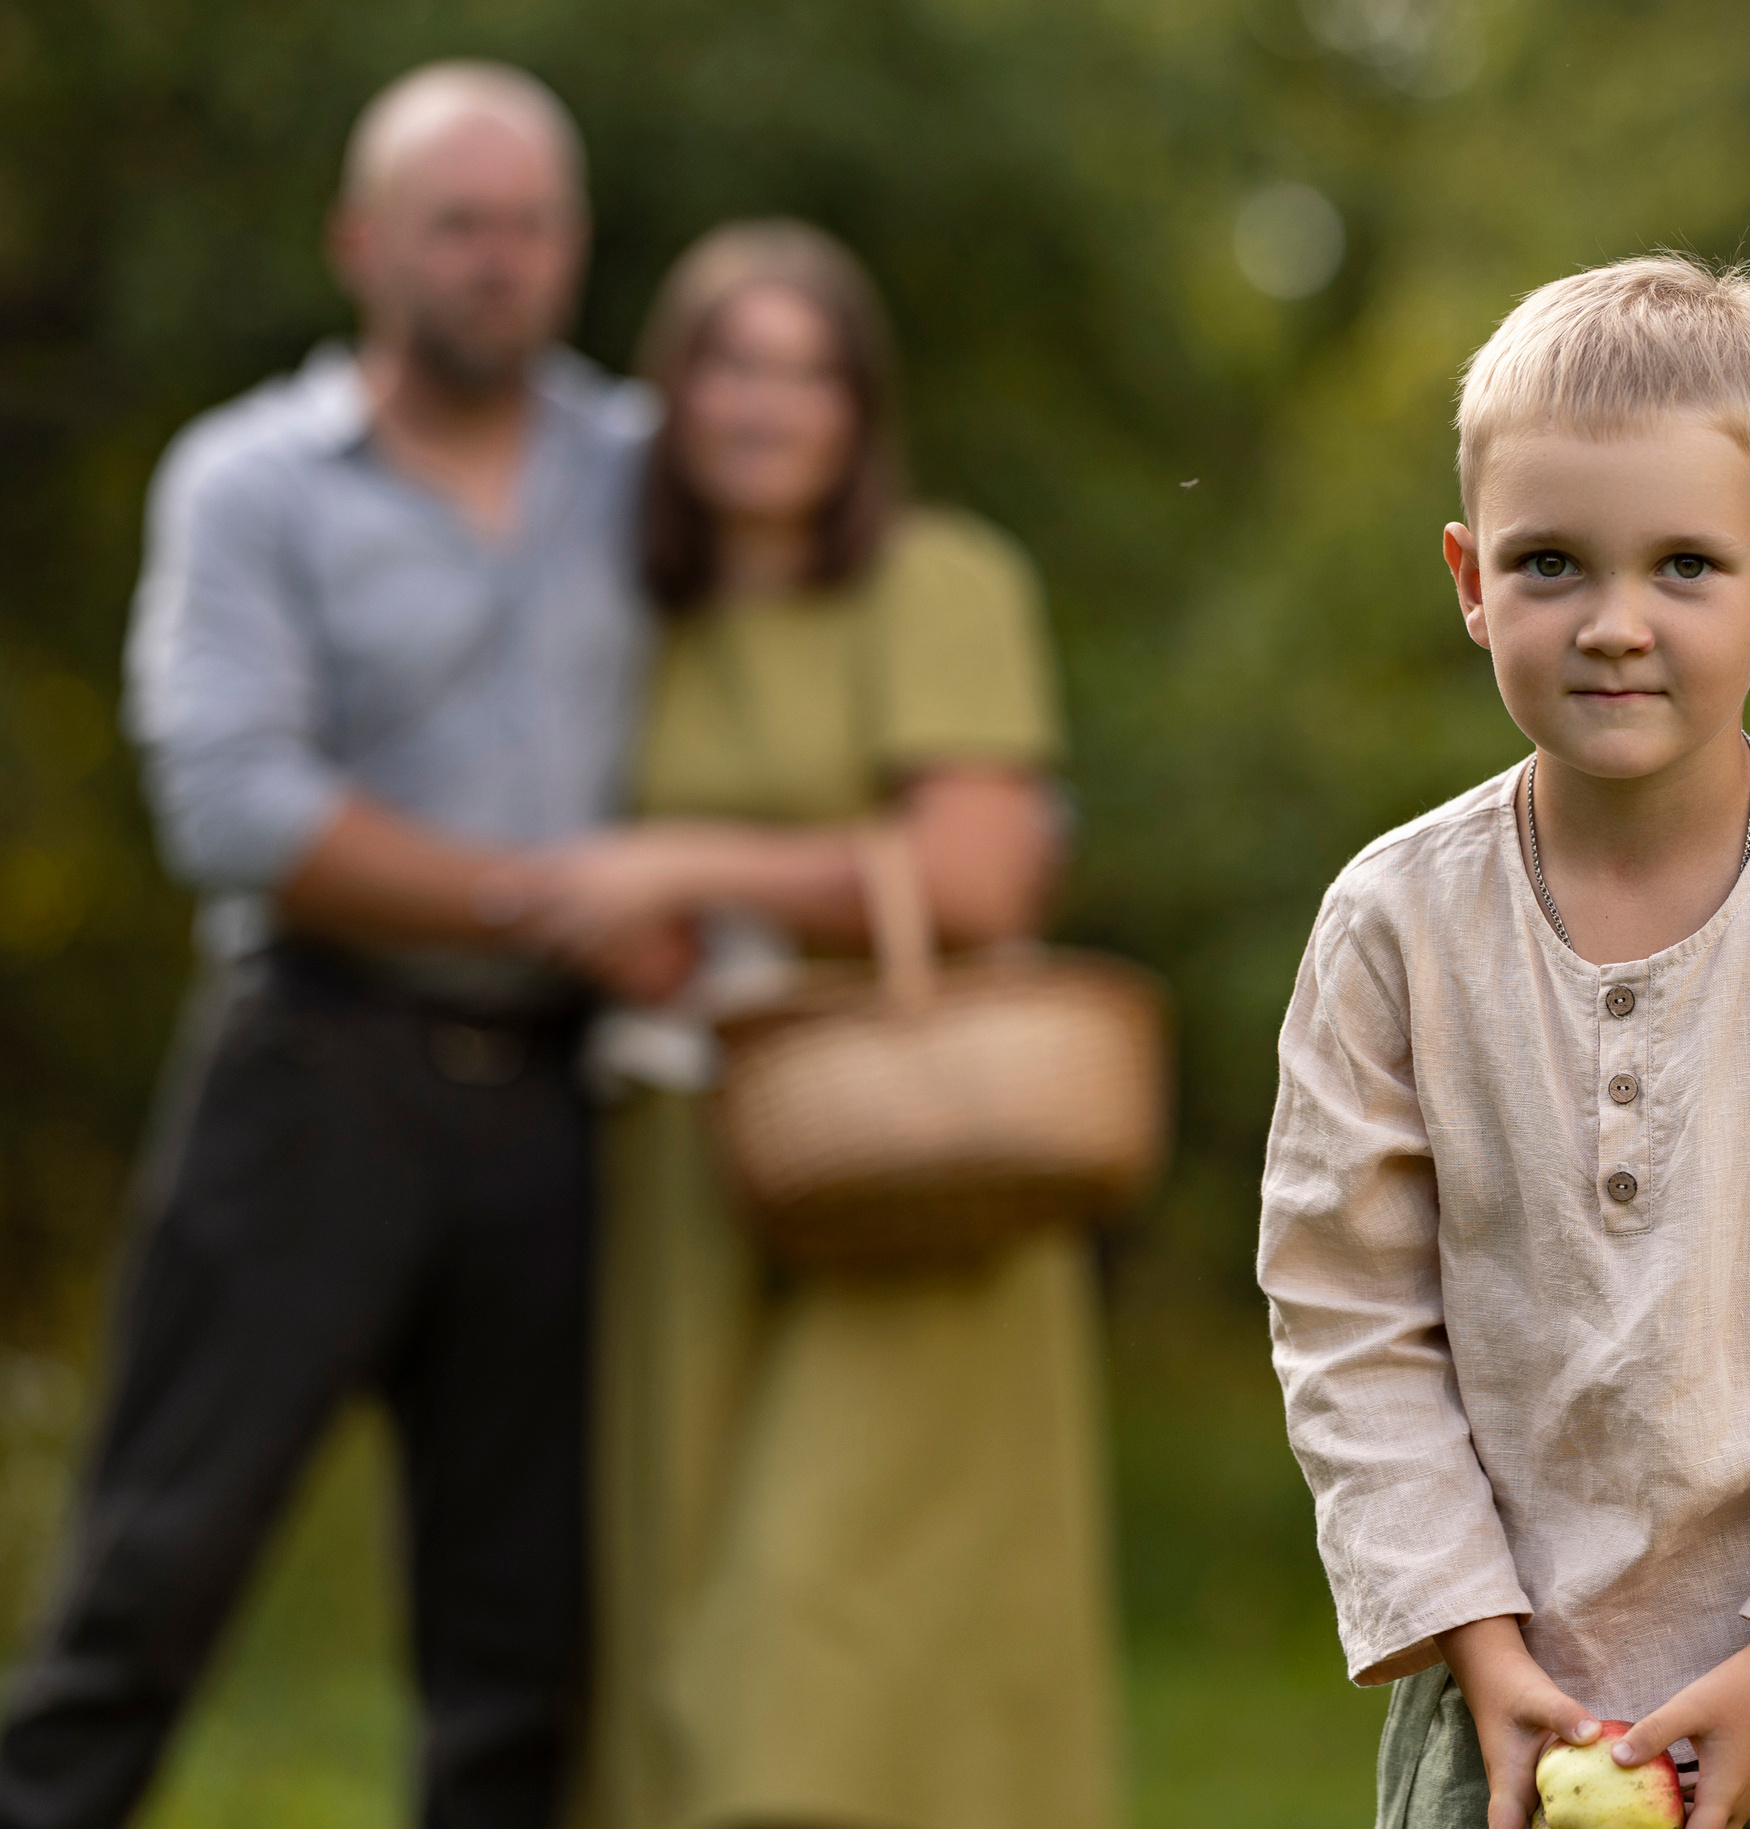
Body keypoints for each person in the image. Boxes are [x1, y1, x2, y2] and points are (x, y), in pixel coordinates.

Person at [1257, 255, 1750, 1829]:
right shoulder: (1391, 926)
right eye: (1551, 562)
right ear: (1470, 578)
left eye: (1686, 564)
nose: (1615, 624)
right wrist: (1478, 1641)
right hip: (1509, 1708)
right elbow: (1347, 1317)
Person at [0, 62, 676, 1829]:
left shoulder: (646, 468)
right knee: (148, 1580)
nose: (497, 259)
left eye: (531, 225)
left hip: (556, 1109)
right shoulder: (249, 481)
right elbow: (234, 808)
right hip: (310, 1079)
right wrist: (556, 901)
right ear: (361, 242)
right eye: (457, 224)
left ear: (572, 246)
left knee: (519, 1643)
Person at [542, 221, 1121, 1829]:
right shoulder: (624, 610)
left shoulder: (939, 577)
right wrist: (620, 922)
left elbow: (978, 872)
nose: (764, 403)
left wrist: (684, 864)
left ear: (862, 409)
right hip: (685, 1160)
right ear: (671, 393)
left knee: (814, 1648)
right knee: (682, 1631)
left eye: (809, 371)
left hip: (908, 1172)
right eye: (730, 362)